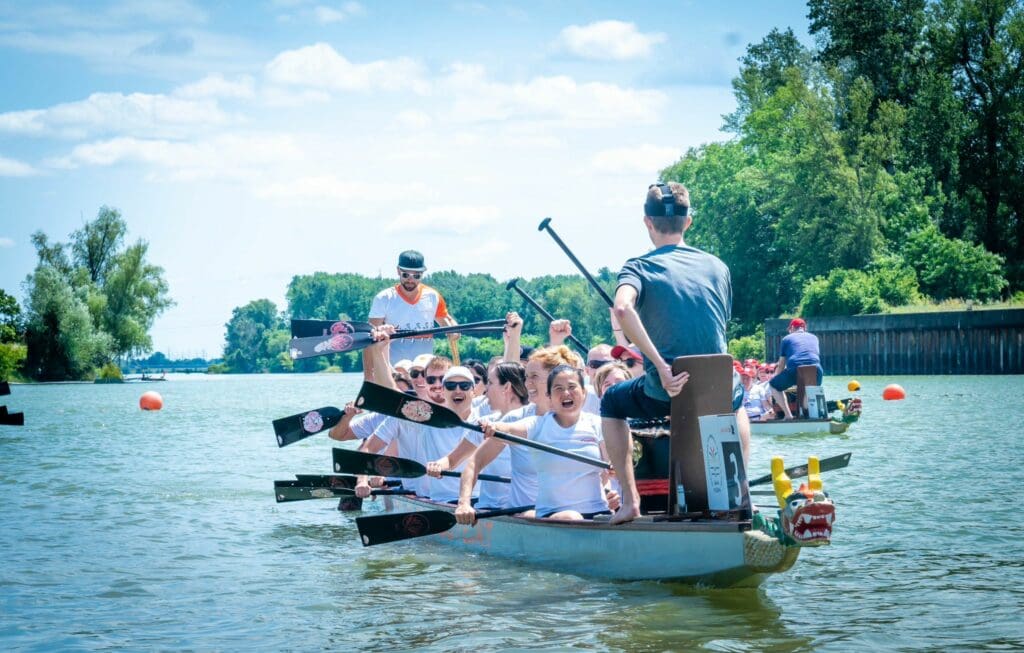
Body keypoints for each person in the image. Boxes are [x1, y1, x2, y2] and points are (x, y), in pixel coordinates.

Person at [600, 181, 749, 524]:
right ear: (688, 223)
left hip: (666, 389)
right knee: (736, 392)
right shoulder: (718, 266)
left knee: (611, 402)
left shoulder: (638, 266)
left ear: (647, 223)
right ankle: (738, 489)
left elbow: (622, 309)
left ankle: (629, 502)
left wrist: (660, 366)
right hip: (716, 389)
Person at [477, 365, 615, 521]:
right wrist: (494, 427)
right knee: (572, 516)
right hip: (554, 514)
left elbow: (611, 459)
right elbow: (508, 429)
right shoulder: (537, 424)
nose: (566, 393)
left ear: (583, 393)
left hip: (599, 511)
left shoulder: (598, 424)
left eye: (572, 387)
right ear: (549, 397)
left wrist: (613, 468)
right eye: (558, 388)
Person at [369, 250, 457, 363]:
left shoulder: (433, 296)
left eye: (416, 276)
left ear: (422, 274)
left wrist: (454, 331)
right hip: (394, 370)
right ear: (398, 271)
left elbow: (447, 321)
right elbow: (371, 332)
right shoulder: (383, 298)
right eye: (406, 275)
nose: (411, 280)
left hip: (424, 370)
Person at [769, 317, 823, 420]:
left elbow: (781, 364)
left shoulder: (787, 339)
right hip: (817, 370)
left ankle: (788, 415)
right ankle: (810, 415)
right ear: (804, 328)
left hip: (795, 369)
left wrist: (775, 377)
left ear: (792, 328)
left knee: (773, 385)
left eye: (789, 329)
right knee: (808, 389)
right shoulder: (815, 337)